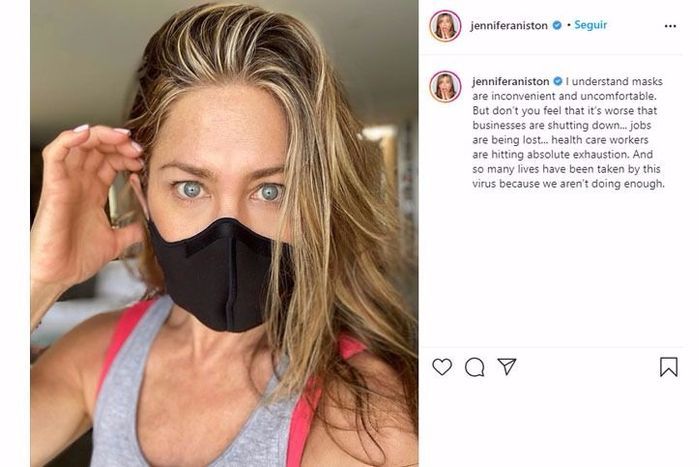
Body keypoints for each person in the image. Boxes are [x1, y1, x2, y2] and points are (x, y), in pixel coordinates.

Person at [30, 3, 418, 466]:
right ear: (144, 197)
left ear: (316, 207)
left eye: (271, 190)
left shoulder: (366, 415)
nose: (228, 230)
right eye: (190, 188)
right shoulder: (98, 353)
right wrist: (38, 281)